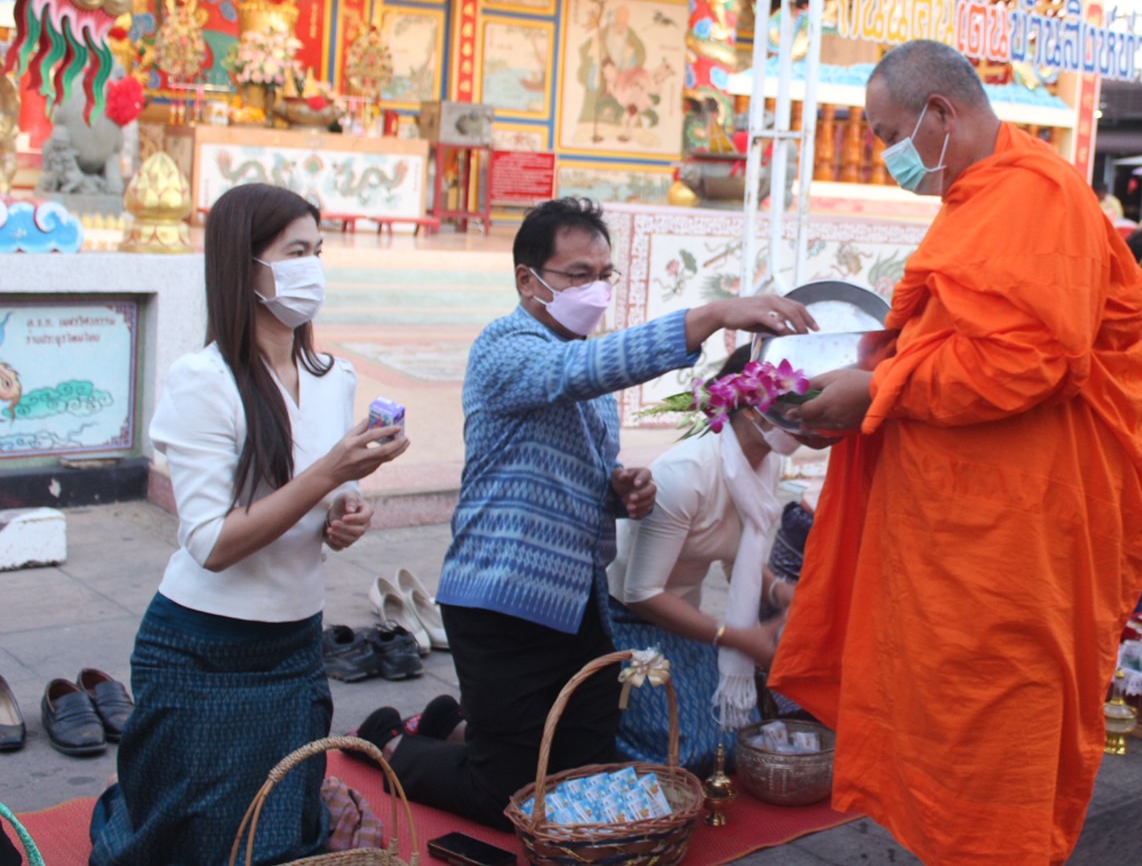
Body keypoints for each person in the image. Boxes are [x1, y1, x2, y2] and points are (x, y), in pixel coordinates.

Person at [768, 40, 1142, 863]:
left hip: (1013, 527)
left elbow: (1030, 359)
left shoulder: (1036, 196)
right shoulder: (982, 190)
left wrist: (878, 392)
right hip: (955, 513)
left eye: (887, 134)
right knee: (939, 703)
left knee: (994, 709)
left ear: (941, 114)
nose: (886, 156)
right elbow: (947, 338)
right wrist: (861, 384)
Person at [355, 198, 814, 829]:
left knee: (586, 768)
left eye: (605, 274)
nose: (595, 288)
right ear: (527, 280)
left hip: (578, 602)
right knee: (507, 795)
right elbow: (576, 370)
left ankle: (449, 725)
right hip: (502, 597)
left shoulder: (591, 390)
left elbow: (572, 453)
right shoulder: (506, 346)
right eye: (577, 274)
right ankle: (393, 744)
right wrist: (712, 315)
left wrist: (617, 489)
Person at [89, 184, 410, 864]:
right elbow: (212, 543)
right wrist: (327, 474)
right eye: (296, 252)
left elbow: (328, 501)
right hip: (203, 649)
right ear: (246, 265)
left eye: (318, 251)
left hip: (295, 646)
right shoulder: (203, 381)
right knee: (195, 841)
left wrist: (345, 510)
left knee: (277, 833)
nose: (313, 268)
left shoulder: (333, 376)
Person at [605, 347, 803, 772]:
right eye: (790, 403)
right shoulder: (686, 474)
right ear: (750, 411)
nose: (803, 417)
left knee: (732, 746)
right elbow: (640, 593)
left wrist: (784, 592)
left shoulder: (764, 463)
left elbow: (739, 563)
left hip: (681, 616)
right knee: (686, 756)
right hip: (622, 621)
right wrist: (733, 636)